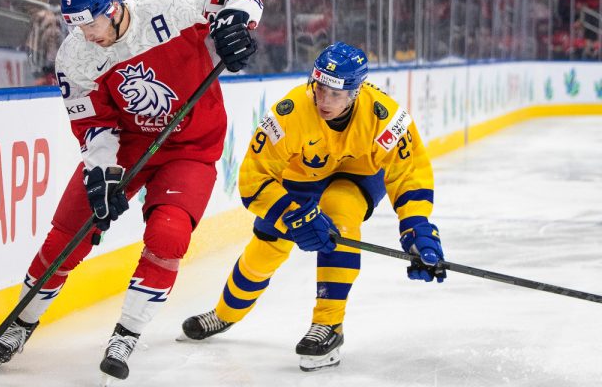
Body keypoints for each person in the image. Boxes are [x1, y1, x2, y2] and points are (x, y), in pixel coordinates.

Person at [0, 0, 263, 383]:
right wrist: (103, 174)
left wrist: (235, 23)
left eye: (90, 23)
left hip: (191, 146)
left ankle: (126, 334)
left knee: (168, 235)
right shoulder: (76, 57)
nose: (85, 34)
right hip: (129, 145)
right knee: (70, 229)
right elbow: (94, 124)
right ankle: (20, 323)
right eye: (75, 25)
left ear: (113, 8)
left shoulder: (170, 2)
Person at [180, 42, 445, 372]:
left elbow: (409, 173)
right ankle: (224, 314)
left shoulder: (385, 116)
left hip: (359, 177)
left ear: (355, 92)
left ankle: (328, 325)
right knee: (265, 249)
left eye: (335, 94)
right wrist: (291, 215)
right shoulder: (289, 112)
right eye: (320, 89)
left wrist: (417, 227)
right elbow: (252, 177)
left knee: (340, 215)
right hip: (301, 179)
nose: (324, 101)